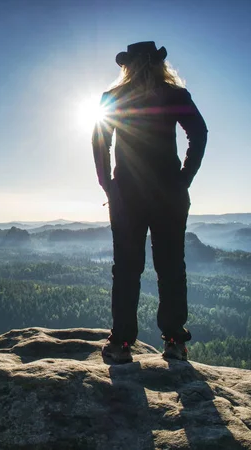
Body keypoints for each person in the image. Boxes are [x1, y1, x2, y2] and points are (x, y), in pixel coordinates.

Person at [93, 41, 208, 363]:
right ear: (159, 64)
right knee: (171, 267)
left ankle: (121, 344)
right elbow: (199, 134)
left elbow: (99, 143)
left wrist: (109, 186)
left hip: (127, 195)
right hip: (168, 193)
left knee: (127, 269)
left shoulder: (113, 97)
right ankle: (174, 341)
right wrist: (183, 178)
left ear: (126, 66)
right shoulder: (174, 95)